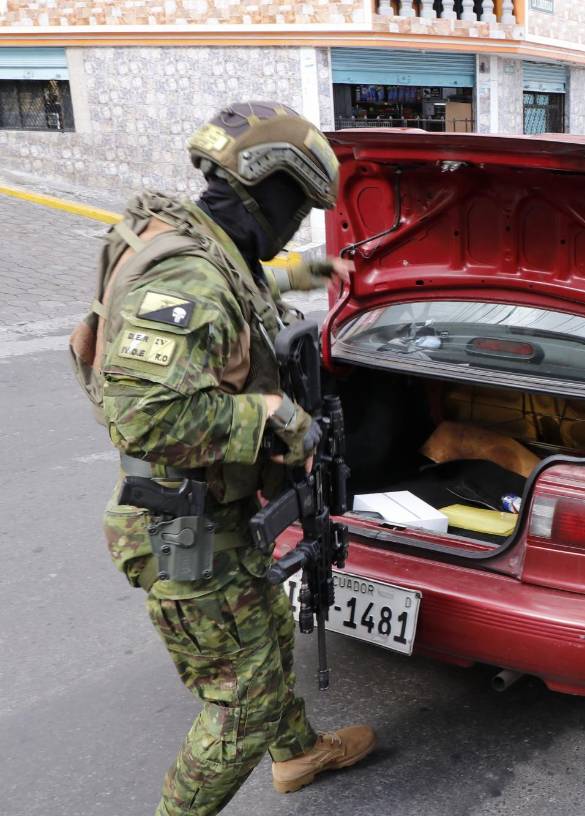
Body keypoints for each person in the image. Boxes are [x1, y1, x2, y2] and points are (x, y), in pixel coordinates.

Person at [69, 101, 375, 814]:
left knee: (267, 630)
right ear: (265, 190)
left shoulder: (192, 239)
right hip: (180, 532)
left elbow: (229, 292)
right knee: (240, 707)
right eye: (295, 210)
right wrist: (269, 418)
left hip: (211, 512)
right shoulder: (186, 277)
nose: (294, 227)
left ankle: (297, 754)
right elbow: (142, 415)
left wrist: (299, 273)